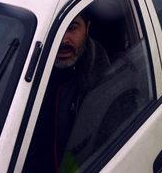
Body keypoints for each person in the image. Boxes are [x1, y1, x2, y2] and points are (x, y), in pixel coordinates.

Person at [25, 10, 109, 172]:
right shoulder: (20, 70)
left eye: (71, 28)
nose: (63, 40)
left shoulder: (101, 81)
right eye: (55, 30)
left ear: (87, 28)